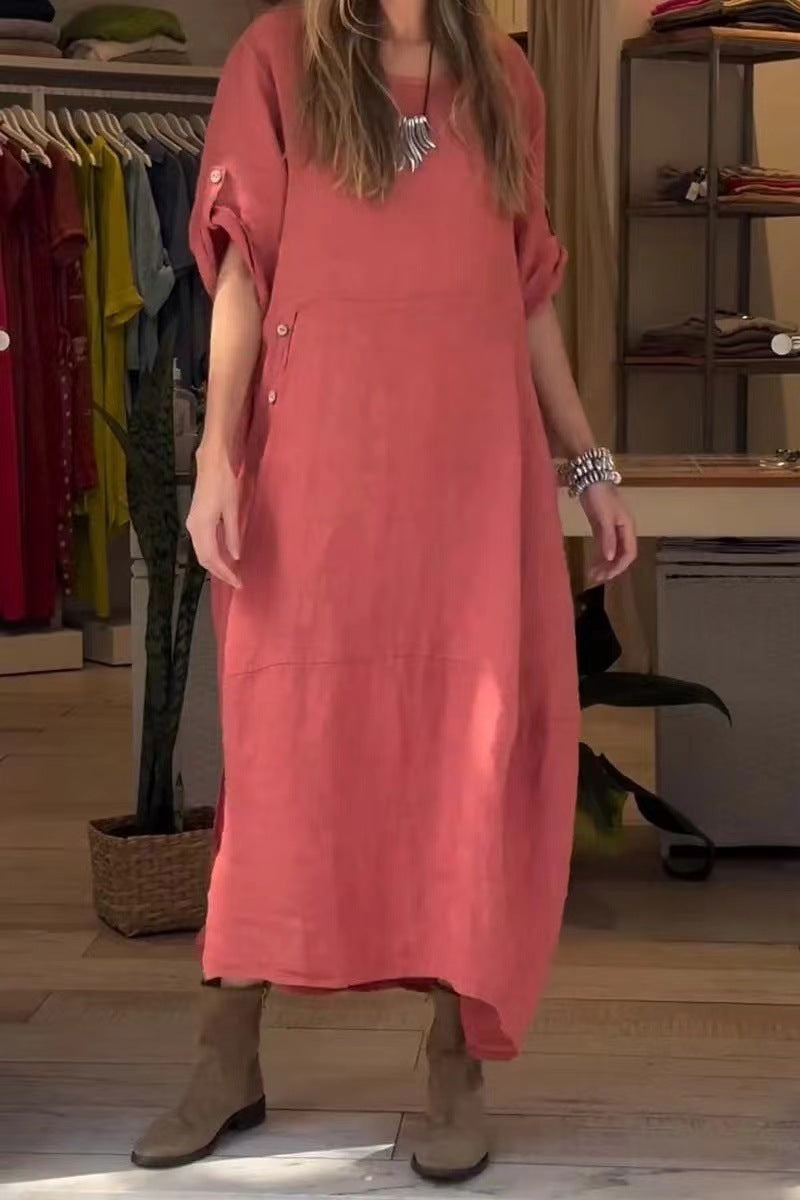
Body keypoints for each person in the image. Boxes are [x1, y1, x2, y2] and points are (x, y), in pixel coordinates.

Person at [132, 0, 637, 1182]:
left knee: (468, 760)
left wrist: (588, 461)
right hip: (316, 478)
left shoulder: (503, 77)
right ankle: (224, 1060)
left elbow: (525, 289)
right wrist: (218, 458)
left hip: (471, 487)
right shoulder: (276, 58)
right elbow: (242, 271)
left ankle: (453, 1067)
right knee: (281, 759)